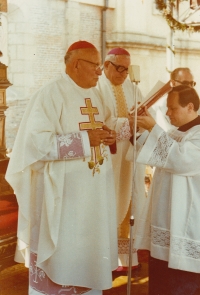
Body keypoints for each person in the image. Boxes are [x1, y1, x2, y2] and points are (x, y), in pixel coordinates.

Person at [5, 41, 118, 295]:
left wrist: (107, 136)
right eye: (96, 65)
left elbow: (100, 130)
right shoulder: (50, 94)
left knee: (89, 258)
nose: (100, 71)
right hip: (63, 198)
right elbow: (37, 144)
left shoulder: (96, 94)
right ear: (76, 63)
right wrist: (86, 140)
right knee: (62, 257)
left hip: (94, 197)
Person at [134, 85, 200, 295]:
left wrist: (153, 128)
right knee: (160, 285)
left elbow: (180, 160)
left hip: (186, 226)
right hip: (165, 223)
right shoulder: (177, 132)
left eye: (172, 109)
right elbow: (157, 150)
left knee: (180, 286)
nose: (168, 114)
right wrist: (136, 131)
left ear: (190, 107)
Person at [97, 47, 146, 270]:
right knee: (108, 203)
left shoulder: (132, 88)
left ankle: (126, 260)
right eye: (119, 68)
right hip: (109, 157)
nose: (124, 74)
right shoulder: (96, 87)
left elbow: (145, 116)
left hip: (129, 158)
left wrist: (140, 122)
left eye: (127, 69)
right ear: (106, 65)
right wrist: (127, 124)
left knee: (130, 202)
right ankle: (106, 261)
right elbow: (101, 123)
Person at [150, 67, 196, 131]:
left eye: (192, 84)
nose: (190, 87)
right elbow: (166, 134)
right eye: (185, 83)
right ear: (173, 83)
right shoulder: (159, 107)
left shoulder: (195, 103)